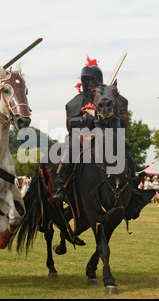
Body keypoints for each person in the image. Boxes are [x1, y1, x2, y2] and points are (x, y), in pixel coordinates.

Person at [52, 56, 129, 202]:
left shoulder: (113, 98)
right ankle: (61, 186)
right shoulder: (74, 102)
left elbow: (124, 122)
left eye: (90, 80)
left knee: (126, 152)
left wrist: (113, 113)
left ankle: (133, 185)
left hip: (108, 135)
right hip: (84, 137)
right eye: (84, 80)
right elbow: (70, 125)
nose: (87, 83)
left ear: (98, 80)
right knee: (73, 147)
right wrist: (85, 119)